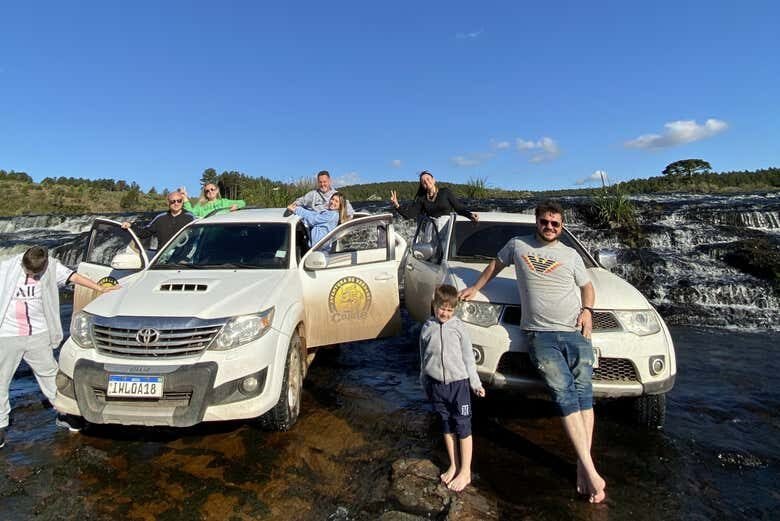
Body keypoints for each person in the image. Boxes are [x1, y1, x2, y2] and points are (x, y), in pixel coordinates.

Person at [458, 200, 606, 503]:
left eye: (555, 223)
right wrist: (475, 287)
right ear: (535, 222)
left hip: (575, 331)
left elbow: (587, 287)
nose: (549, 227)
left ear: (562, 225)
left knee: (584, 395)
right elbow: (494, 265)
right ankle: (590, 470)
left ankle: (583, 467)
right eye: (544, 222)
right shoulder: (518, 245)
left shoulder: (571, 254)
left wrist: (588, 310)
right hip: (540, 335)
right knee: (563, 394)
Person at [0, 246, 119, 447]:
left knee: (51, 375)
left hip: (38, 333)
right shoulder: (6, 268)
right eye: (29, 272)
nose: (32, 275)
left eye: (36, 273)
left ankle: (66, 412)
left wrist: (99, 288)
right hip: (7, 334)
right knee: (1, 380)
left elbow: (73, 277)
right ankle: (1, 425)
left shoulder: (52, 267)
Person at [420, 284, 485, 492]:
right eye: (441, 308)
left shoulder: (459, 328)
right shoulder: (427, 327)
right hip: (437, 385)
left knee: (463, 426)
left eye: (449, 310)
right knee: (446, 424)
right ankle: (453, 464)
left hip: (459, 385)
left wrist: (475, 383)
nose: (445, 313)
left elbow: (468, 358)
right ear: (434, 305)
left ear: (454, 310)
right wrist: (424, 381)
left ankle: (465, 471)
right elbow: (423, 358)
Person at [390, 170, 479, 224]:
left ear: (434, 180)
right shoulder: (422, 199)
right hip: (432, 231)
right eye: (423, 181)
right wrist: (397, 205)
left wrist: (470, 215)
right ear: (422, 185)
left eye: (428, 179)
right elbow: (409, 215)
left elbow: (458, 208)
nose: (426, 182)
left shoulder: (445, 192)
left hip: (447, 229)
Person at [121, 191, 195, 248]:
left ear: (182, 202)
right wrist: (131, 226)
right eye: (173, 201)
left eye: (179, 201)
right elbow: (145, 233)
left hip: (184, 260)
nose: (176, 203)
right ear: (168, 203)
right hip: (162, 258)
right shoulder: (160, 218)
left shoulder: (190, 217)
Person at [180, 183, 246, 218]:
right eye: (207, 191)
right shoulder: (200, 205)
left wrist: (236, 206)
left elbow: (242, 202)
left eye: (212, 189)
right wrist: (185, 198)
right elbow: (190, 213)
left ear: (217, 190)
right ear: (205, 193)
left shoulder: (224, 202)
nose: (210, 191)